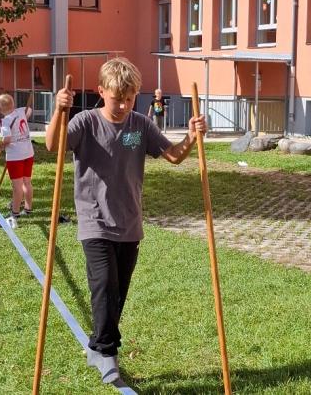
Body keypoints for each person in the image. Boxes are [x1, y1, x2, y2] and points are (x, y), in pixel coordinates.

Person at [45, 57, 206, 384]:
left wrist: (191, 136)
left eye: (129, 98)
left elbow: (173, 156)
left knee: (117, 293)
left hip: (129, 223)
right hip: (95, 221)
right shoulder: (85, 122)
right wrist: (59, 112)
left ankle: (97, 344)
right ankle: (108, 354)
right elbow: (54, 146)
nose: (122, 105)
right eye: (117, 97)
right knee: (104, 285)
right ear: (101, 91)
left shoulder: (141, 126)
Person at [0, 93, 34, 217]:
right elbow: (29, 111)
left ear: (0, 109)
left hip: (15, 156)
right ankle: (28, 208)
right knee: (27, 182)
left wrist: (1, 144)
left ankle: (15, 212)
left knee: (17, 186)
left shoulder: (5, 121)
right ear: (13, 104)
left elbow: (7, 139)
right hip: (28, 153)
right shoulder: (20, 111)